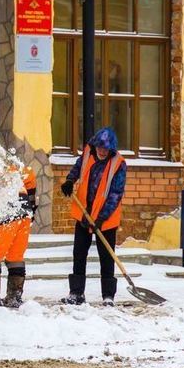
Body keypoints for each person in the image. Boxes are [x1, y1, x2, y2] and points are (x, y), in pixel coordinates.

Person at [60, 127, 126, 306]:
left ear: (111, 149)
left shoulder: (118, 164)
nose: (102, 151)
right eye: (100, 148)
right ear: (95, 145)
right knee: (79, 253)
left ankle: (108, 296)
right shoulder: (88, 153)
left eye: (106, 149)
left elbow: (115, 194)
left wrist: (101, 218)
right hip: (84, 213)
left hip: (106, 219)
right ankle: (76, 293)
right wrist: (69, 181)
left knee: (106, 256)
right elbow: (77, 168)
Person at [0, 163, 37, 309]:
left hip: (7, 209)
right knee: (16, 257)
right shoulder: (13, 165)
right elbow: (30, 177)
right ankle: (14, 297)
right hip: (25, 210)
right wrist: (32, 207)